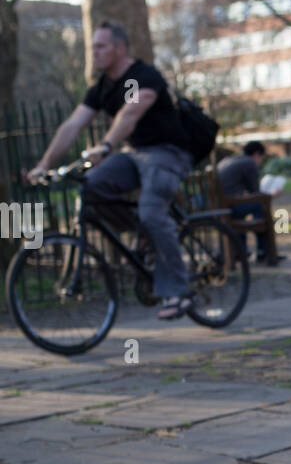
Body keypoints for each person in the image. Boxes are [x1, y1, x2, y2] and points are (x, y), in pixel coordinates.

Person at [27, 20, 195, 320]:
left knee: (153, 213)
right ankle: (146, 234)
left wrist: (105, 145)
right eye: (93, 46)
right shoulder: (102, 88)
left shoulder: (143, 76)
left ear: (119, 48)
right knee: (91, 187)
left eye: (100, 46)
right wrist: (44, 164)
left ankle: (178, 292)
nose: (94, 52)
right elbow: (72, 126)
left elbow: (130, 114)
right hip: (134, 155)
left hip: (167, 153)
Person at [217, 140, 272, 263]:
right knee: (260, 206)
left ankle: (241, 251)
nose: (260, 162)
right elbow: (255, 191)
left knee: (245, 210)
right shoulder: (249, 163)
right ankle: (263, 250)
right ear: (257, 154)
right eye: (261, 158)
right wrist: (272, 194)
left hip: (220, 206)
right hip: (230, 207)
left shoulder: (228, 160)